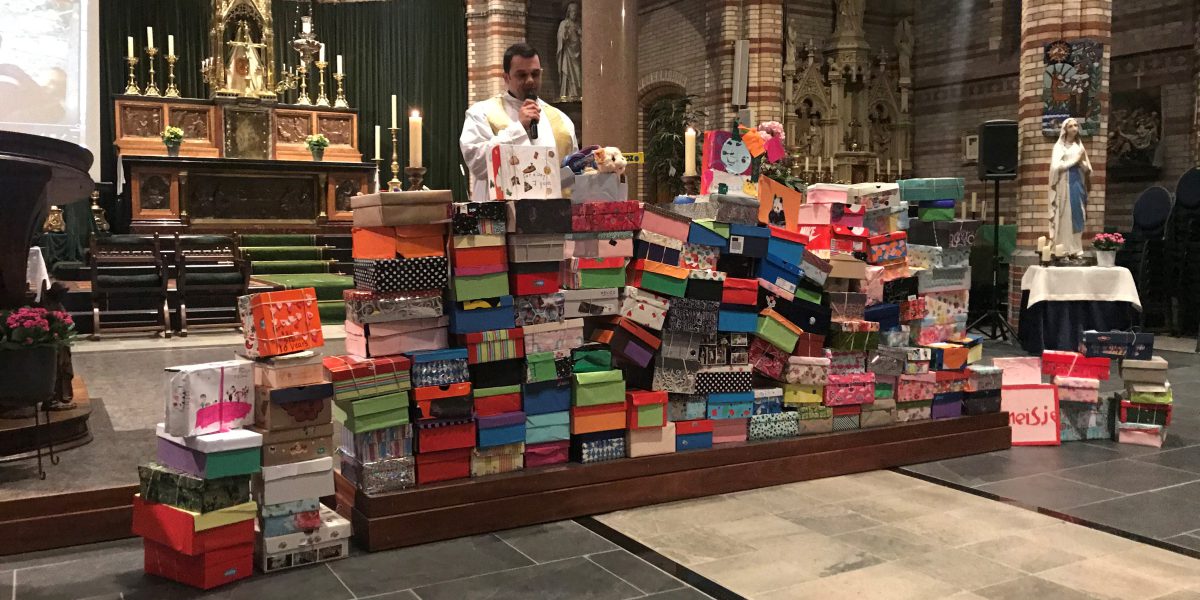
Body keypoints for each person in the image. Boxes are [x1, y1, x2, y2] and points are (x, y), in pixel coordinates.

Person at [460, 43, 579, 201]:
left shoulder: (562, 121)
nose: (530, 81)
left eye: (535, 74)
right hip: (503, 215)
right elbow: (478, 165)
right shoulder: (481, 113)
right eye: (521, 75)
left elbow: (573, 178)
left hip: (553, 213)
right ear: (506, 78)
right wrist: (518, 128)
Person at [1048, 117, 1092, 257]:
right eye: (1071, 126)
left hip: (1077, 184)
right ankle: (1063, 248)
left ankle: (1076, 248)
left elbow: (1087, 169)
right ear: (1065, 129)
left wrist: (1082, 164)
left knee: (1078, 214)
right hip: (1064, 185)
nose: (1074, 128)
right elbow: (1055, 167)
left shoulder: (1079, 147)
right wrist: (1074, 160)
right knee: (1065, 216)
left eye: (1076, 126)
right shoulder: (1059, 147)